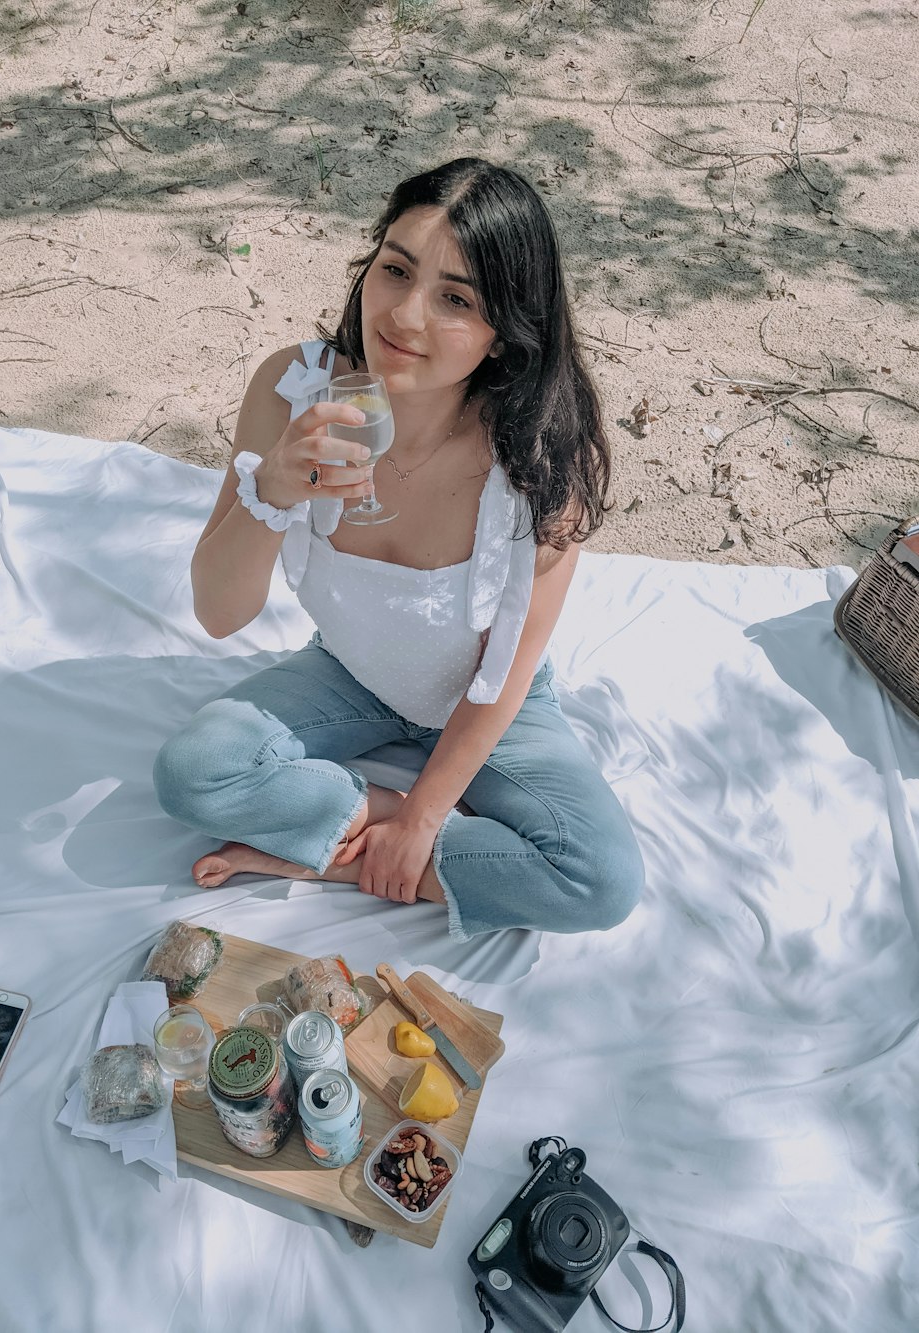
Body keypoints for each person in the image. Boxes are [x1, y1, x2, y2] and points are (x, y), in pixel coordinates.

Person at [153, 157, 644, 941]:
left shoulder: (541, 458)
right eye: (395, 269)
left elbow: (508, 668)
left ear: (502, 332)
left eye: (454, 298)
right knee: (191, 771)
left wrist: (421, 815)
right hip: (351, 671)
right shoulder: (291, 391)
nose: (404, 316)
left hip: (485, 699)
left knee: (600, 878)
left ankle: (332, 853)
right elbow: (219, 613)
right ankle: (367, 829)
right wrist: (273, 489)